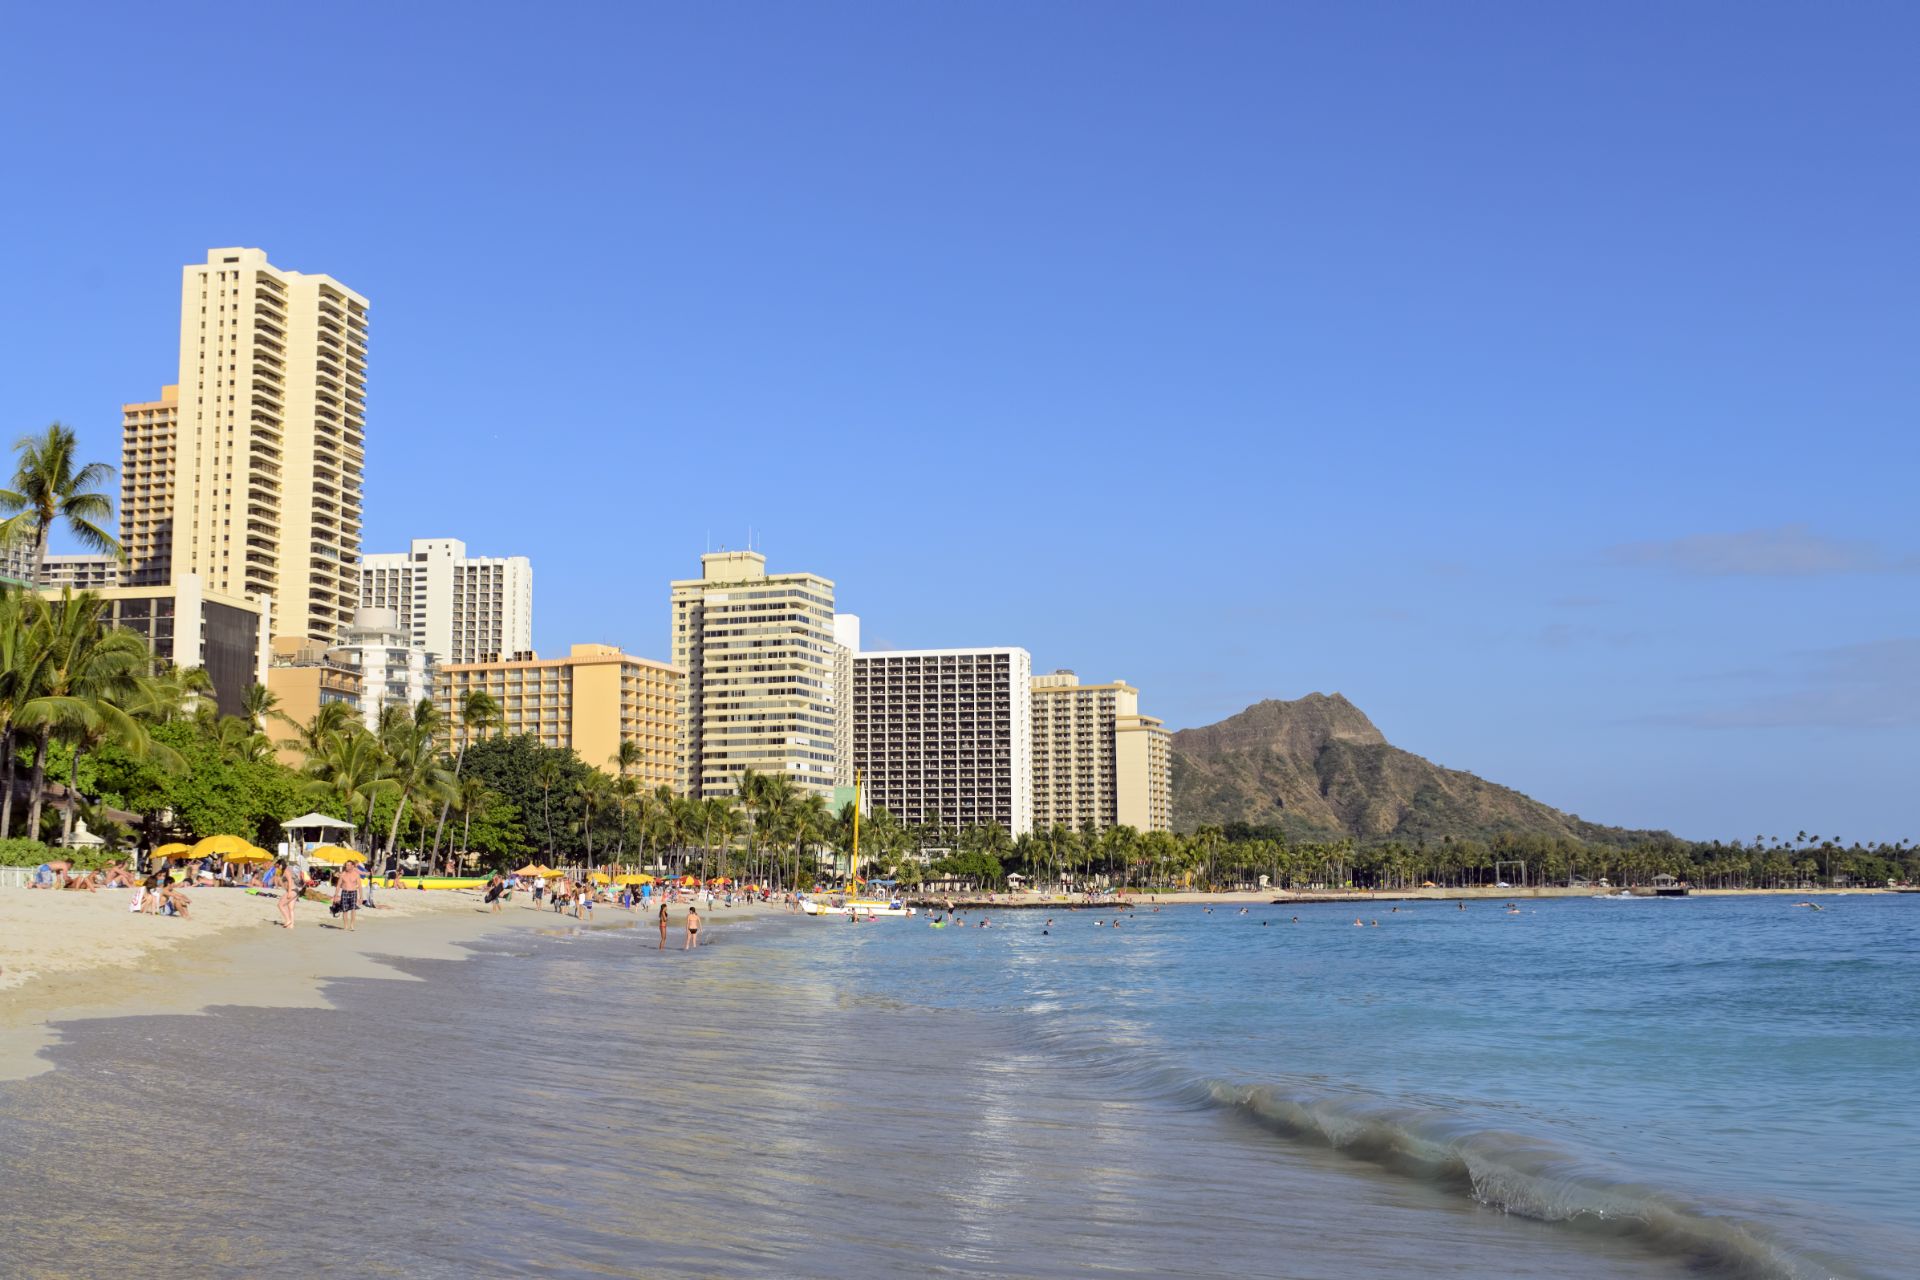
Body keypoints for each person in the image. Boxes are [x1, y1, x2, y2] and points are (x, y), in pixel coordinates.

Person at [336, 859, 363, 932]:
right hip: (344, 892)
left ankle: (352, 925)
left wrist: (361, 897)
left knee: (353, 909)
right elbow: (338, 885)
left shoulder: (356, 875)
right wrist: (336, 895)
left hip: (353, 892)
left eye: (348, 865)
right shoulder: (343, 874)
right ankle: (345, 926)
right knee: (345, 910)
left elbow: (360, 886)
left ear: (352, 866)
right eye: (346, 865)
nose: (346, 866)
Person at [277, 862, 301, 929]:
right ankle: (291, 925)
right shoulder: (284, 872)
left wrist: (289, 892)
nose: (278, 866)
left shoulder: (286, 871)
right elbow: (284, 883)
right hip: (294, 891)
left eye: (278, 865)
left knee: (280, 905)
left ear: (282, 865)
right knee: (291, 909)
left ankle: (288, 920)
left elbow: (290, 881)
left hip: (292, 891)